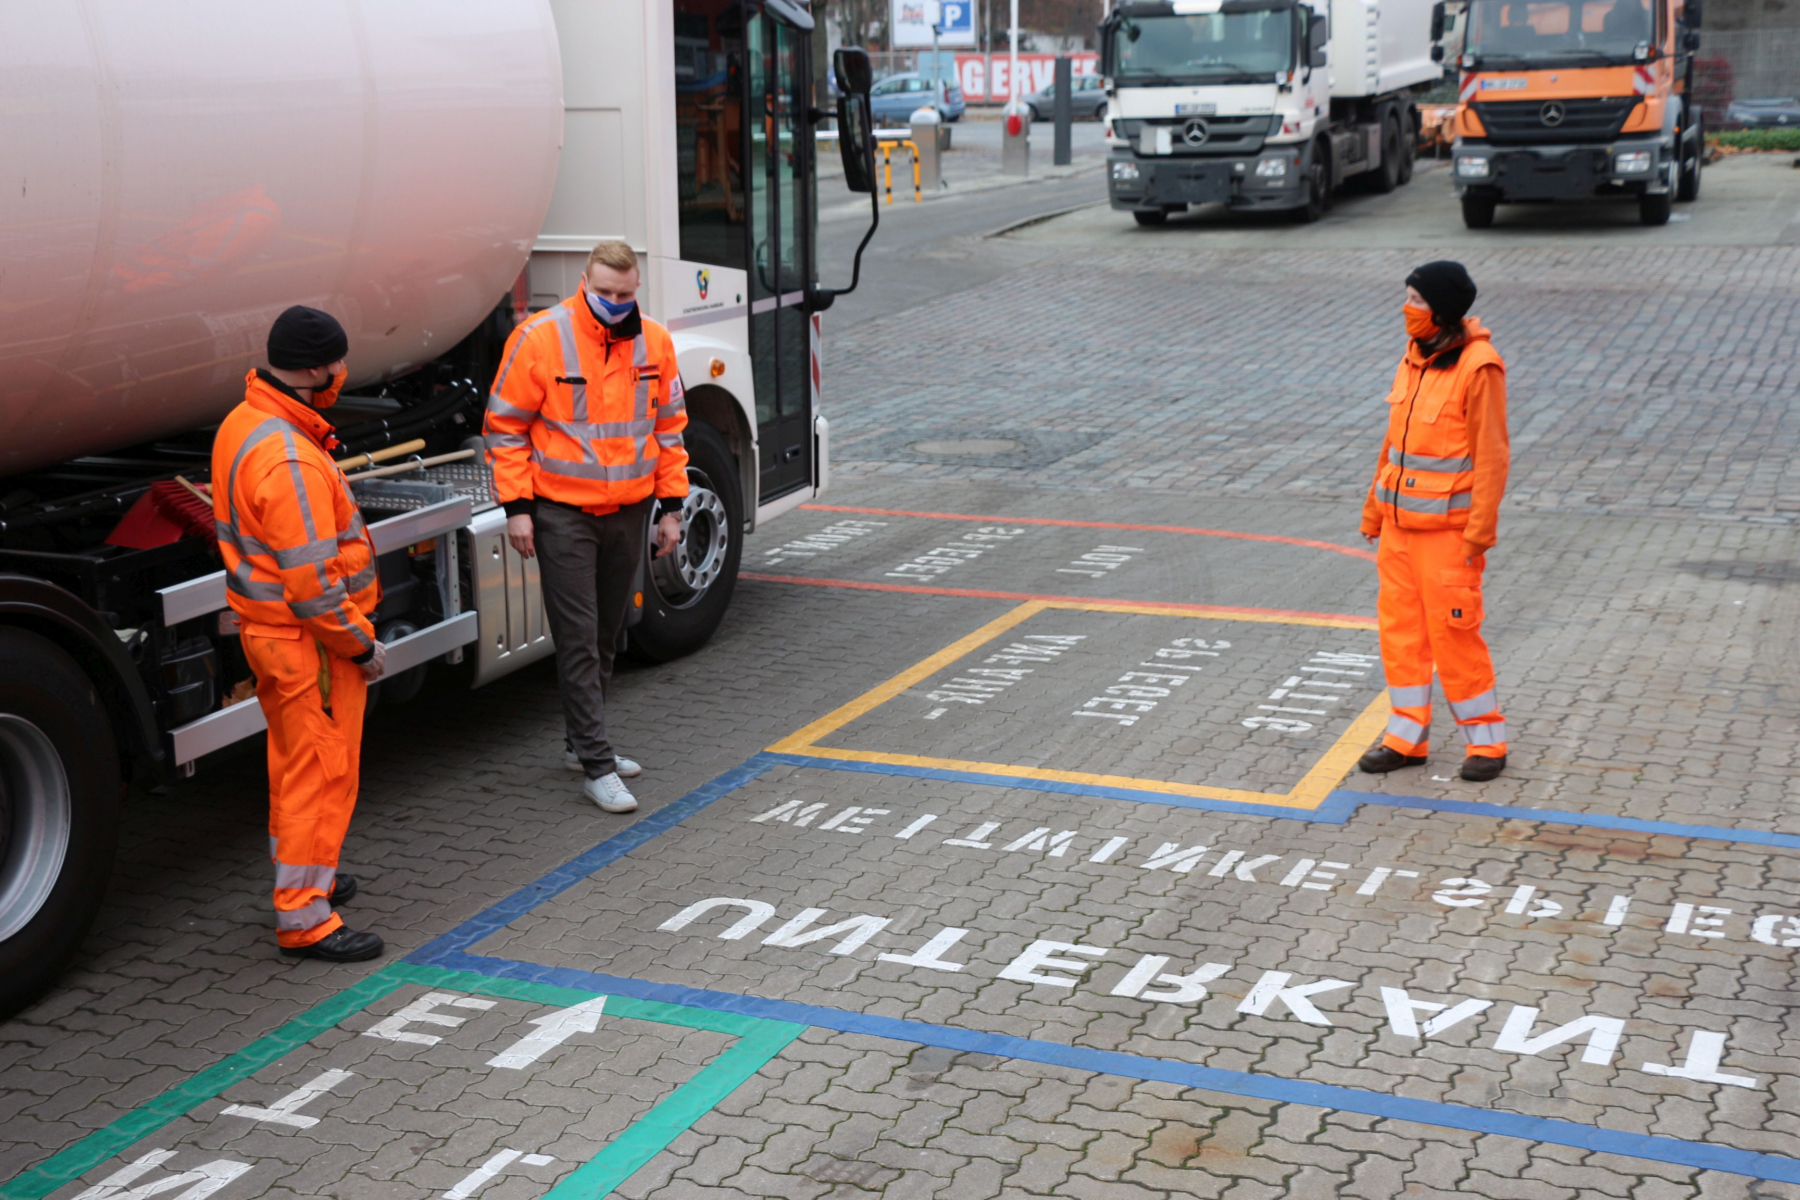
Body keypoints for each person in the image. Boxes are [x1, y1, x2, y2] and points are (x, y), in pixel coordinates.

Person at [483, 240, 689, 814]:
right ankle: (597, 767)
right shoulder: (539, 338)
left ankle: (582, 741)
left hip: (628, 510)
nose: (614, 303)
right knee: (577, 638)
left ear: (637, 289)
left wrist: (671, 508)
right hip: (561, 513)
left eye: (625, 295)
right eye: (604, 293)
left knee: (608, 634)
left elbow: (670, 430)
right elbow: (504, 428)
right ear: (584, 281)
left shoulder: (656, 341)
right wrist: (517, 507)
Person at [211, 306, 387, 962]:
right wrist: (359, 644)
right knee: (318, 776)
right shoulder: (289, 456)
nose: (342, 374)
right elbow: (313, 588)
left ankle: (315, 879)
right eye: (338, 363)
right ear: (317, 369)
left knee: (297, 772)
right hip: (308, 645)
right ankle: (307, 920)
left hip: (276, 637)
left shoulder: (245, 422)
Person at [1357, 261, 1511, 782]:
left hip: (1448, 535)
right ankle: (1406, 738)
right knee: (1400, 635)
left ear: (1441, 309)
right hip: (1399, 532)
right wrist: (1374, 509)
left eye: (1416, 301)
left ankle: (1487, 743)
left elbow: (1492, 456)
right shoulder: (1414, 359)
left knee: (1454, 636)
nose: (1408, 309)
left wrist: (1479, 534)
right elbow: (1395, 444)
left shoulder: (1479, 366)